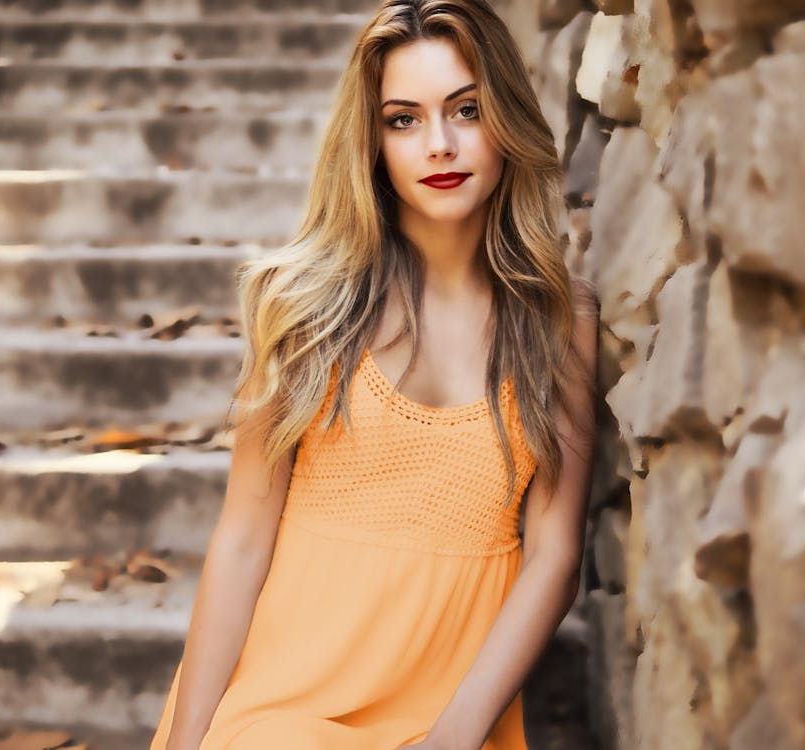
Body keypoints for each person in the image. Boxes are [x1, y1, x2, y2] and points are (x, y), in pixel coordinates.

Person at [150, 1, 599, 748]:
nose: (441, 145)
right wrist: (190, 739)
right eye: (404, 119)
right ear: (373, 141)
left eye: (466, 109)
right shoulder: (306, 305)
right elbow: (243, 539)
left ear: (506, 120)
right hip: (282, 710)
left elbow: (554, 556)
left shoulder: (559, 318)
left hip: (453, 717)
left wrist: (454, 736)